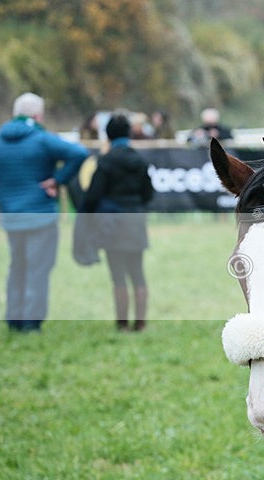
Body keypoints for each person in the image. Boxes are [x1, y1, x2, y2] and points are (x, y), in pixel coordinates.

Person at [0, 92, 89, 332]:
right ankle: (31, 322)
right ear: (38, 115)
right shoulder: (41, 139)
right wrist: (57, 180)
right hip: (40, 215)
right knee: (38, 269)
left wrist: (7, 196)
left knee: (16, 267)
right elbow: (79, 153)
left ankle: (13, 317)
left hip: (12, 216)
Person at [82, 114, 154, 332]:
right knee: (138, 273)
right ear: (129, 133)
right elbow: (148, 193)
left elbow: (93, 195)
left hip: (112, 224)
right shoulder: (140, 160)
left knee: (118, 275)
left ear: (108, 135)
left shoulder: (106, 161)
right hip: (135, 221)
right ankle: (140, 323)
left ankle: (122, 324)